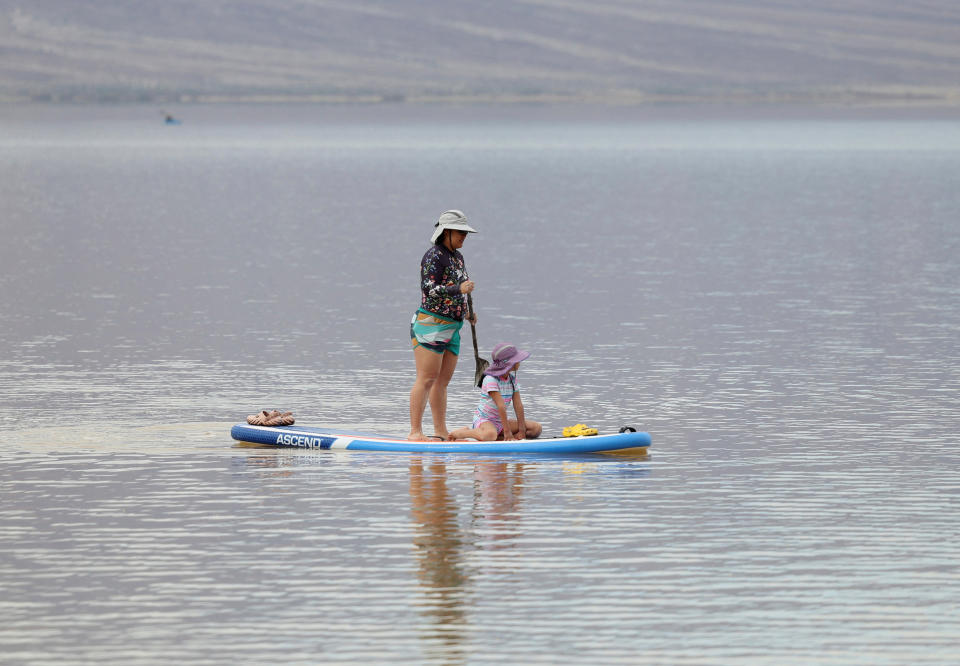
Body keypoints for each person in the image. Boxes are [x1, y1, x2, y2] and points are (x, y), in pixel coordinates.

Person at [408, 210, 478, 441]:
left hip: (453, 326)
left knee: (442, 382)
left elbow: (458, 287)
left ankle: (440, 431)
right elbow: (429, 289)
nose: (464, 237)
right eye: (460, 232)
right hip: (431, 324)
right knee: (426, 378)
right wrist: (458, 290)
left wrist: (466, 312)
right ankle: (415, 432)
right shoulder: (433, 256)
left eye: (465, 233)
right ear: (446, 232)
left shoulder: (458, 257)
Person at [448, 343, 542, 442]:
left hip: (500, 422)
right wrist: (507, 432)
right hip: (485, 420)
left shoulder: (512, 380)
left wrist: (522, 430)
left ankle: (499, 437)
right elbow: (500, 406)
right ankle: (465, 432)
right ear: (509, 364)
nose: (519, 362)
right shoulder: (490, 380)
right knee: (490, 435)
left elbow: (518, 405)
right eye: (517, 360)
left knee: (536, 428)